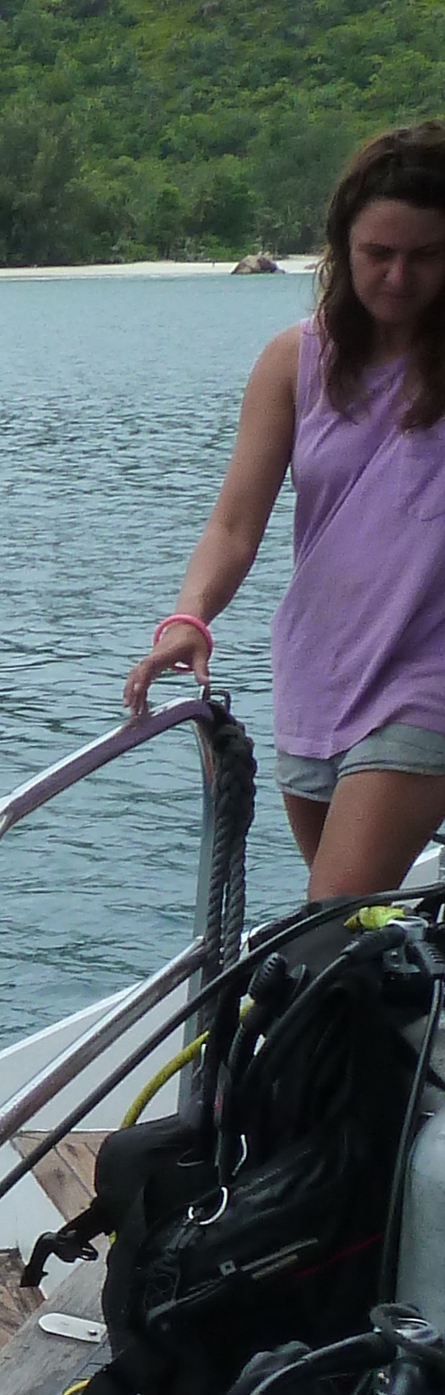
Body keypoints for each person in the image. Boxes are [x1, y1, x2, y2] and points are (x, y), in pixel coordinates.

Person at [124, 122, 445, 897]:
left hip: (428, 680)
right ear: (341, 247)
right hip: (321, 671)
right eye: (379, 254)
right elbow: (234, 524)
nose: (398, 277)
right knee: (346, 936)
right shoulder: (294, 361)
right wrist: (188, 617)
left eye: (425, 256)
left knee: (324, 916)